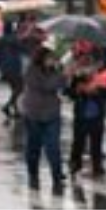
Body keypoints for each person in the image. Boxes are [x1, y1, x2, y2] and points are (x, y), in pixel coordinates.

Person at [20, 41, 68, 192]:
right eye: (49, 58)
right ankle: (33, 173)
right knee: (33, 147)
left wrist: (64, 75)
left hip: (52, 113)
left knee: (53, 146)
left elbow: (62, 86)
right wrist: (62, 76)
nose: (52, 61)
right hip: (34, 113)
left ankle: (57, 175)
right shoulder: (31, 70)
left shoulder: (55, 70)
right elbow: (47, 86)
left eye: (53, 58)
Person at [66, 40, 106, 177]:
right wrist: (79, 90)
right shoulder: (76, 73)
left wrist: (95, 91)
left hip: (97, 109)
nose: (84, 58)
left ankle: (97, 165)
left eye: (87, 56)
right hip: (81, 109)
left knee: (96, 138)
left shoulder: (101, 72)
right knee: (79, 138)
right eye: (82, 56)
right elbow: (69, 92)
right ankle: (75, 163)